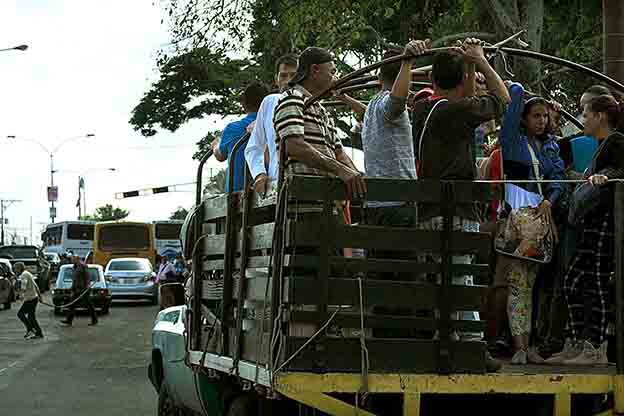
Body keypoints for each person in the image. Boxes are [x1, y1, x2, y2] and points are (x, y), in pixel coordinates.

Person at [411, 38, 509, 333]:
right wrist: (480, 60)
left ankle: (455, 344)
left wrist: (467, 63)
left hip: (431, 210)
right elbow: (503, 99)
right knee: (460, 280)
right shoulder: (454, 112)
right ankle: (470, 344)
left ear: (430, 79)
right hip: (454, 210)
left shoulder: (424, 109)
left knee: (445, 282)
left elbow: (465, 95)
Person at [550, 94, 624, 365]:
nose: (582, 118)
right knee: (575, 279)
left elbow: (620, 169)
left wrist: (607, 177)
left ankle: (596, 345)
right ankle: (577, 341)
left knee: (596, 281)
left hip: (603, 219)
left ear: (600, 116)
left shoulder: (615, 140)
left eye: (585, 113)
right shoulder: (600, 144)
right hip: (590, 219)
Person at [498, 83, 566, 365]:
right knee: (518, 284)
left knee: (537, 285)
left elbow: (558, 177)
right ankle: (519, 346)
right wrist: (517, 89)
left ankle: (531, 345)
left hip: (541, 223)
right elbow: (514, 96)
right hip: (518, 220)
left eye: (544, 116)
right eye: (535, 115)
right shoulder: (512, 141)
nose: (541, 121)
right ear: (523, 119)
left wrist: (551, 198)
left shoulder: (550, 145)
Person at [361, 40, 428, 255]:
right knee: (403, 274)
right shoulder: (384, 106)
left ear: (379, 78)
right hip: (398, 203)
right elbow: (397, 102)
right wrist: (407, 64)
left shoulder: (373, 105)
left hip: (377, 205)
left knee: (381, 272)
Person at [273, 46, 364, 196]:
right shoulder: (292, 98)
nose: (335, 78)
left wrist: (356, 176)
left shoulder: (321, 110)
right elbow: (295, 147)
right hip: (304, 205)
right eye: (332, 72)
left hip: (329, 200)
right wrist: (340, 170)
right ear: (315, 70)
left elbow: (339, 152)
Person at [244, 54, 299, 196]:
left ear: (301, 77)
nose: (288, 81)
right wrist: (259, 174)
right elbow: (253, 147)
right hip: (277, 184)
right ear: (276, 80)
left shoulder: (312, 104)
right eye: (283, 76)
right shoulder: (270, 102)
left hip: (309, 179)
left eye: (293, 75)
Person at [213, 81, 271, 192]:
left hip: (236, 190)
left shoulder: (232, 128)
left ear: (243, 105)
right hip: (268, 184)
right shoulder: (272, 124)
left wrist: (216, 144)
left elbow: (220, 156)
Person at [61, 255, 97, 326]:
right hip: (77, 289)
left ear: (77, 259)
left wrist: (87, 285)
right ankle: (69, 320)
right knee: (72, 305)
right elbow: (75, 279)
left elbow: (87, 277)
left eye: (72, 259)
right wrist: (72, 287)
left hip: (83, 289)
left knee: (89, 305)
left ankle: (94, 320)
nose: (71, 261)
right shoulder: (75, 266)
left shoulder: (83, 266)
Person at [15, 262, 43, 339]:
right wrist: (40, 297)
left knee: (20, 314)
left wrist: (20, 294)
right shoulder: (28, 273)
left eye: (15, 269)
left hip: (30, 299)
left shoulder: (24, 275)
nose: (15, 271)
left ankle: (31, 329)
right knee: (31, 317)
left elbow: (24, 285)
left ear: (19, 268)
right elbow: (36, 286)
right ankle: (36, 332)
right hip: (34, 298)